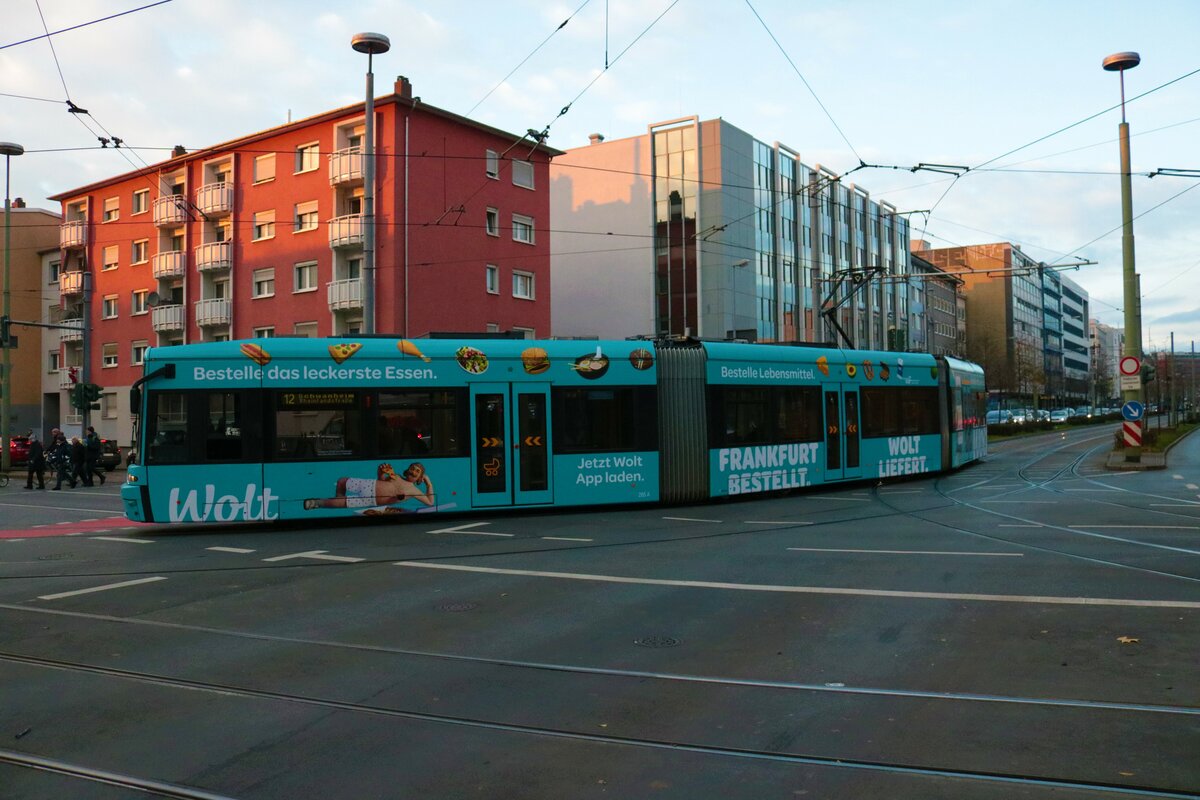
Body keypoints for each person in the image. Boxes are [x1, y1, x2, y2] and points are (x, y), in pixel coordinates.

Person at [304, 462, 435, 510]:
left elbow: (430, 502)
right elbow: (381, 479)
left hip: (370, 499)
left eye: (417, 471)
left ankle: (317, 503)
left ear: (420, 478)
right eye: (412, 468)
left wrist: (429, 484)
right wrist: (381, 472)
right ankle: (338, 499)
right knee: (341, 481)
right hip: (368, 484)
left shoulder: (414, 490)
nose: (413, 471)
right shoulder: (397, 476)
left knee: (337, 503)